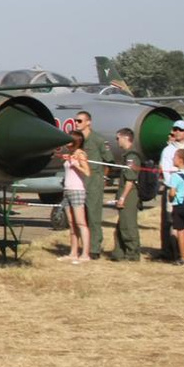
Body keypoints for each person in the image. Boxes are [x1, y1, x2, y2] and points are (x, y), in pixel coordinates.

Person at [159, 120, 184, 260]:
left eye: (180, 130)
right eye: (175, 129)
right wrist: (173, 185)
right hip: (174, 189)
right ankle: (172, 252)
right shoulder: (168, 150)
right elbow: (165, 170)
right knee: (171, 222)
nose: (177, 132)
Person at [75, 111, 111, 259]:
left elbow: (107, 160)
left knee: (94, 216)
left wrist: (104, 177)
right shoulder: (77, 140)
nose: (77, 123)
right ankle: (83, 247)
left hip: (94, 182)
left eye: (79, 121)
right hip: (79, 182)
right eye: (76, 121)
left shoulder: (98, 140)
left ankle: (94, 248)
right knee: (80, 217)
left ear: (88, 122)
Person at [109, 128, 142, 261]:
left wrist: (122, 197)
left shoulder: (132, 157)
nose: (117, 141)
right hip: (125, 193)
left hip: (129, 195)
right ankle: (119, 253)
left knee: (128, 225)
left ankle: (132, 254)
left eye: (118, 138)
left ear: (126, 138)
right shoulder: (127, 156)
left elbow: (130, 180)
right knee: (121, 224)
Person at [60, 130, 91, 263]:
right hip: (67, 190)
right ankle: (73, 252)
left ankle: (85, 254)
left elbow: (88, 172)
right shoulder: (70, 154)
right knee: (72, 223)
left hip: (77, 190)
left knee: (81, 223)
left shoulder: (80, 154)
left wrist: (76, 165)